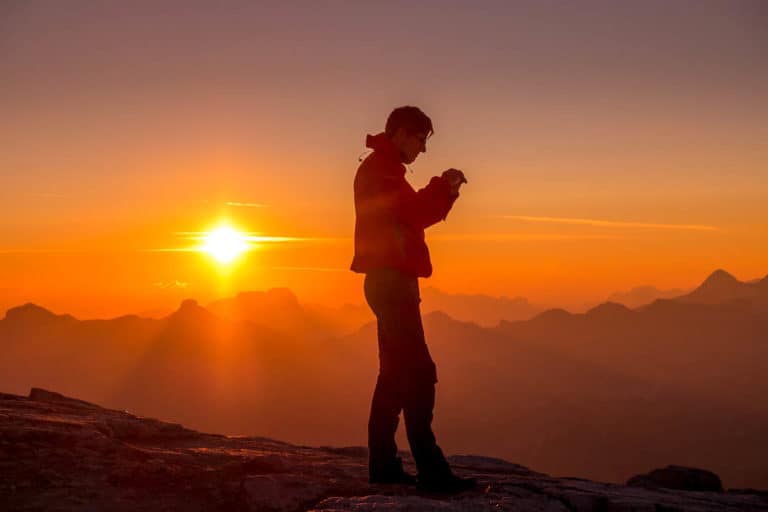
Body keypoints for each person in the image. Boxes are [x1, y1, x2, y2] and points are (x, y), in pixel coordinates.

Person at [350, 106, 476, 493]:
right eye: (421, 140)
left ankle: (384, 465)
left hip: (388, 281)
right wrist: (445, 186)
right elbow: (415, 213)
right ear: (403, 133)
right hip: (391, 283)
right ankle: (432, 472)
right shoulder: (382, 172)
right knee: (419, 372)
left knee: (393, 373)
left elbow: (410, 215)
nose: (423, 149)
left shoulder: (382, 170)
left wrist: (444, 191)